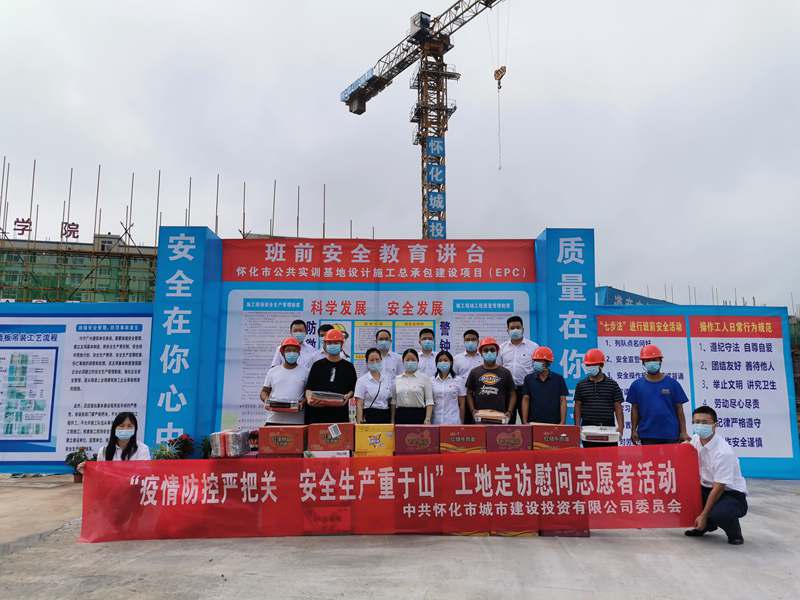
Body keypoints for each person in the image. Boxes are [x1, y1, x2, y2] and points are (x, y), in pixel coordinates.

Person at [685, 406, 748, 545]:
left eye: (705, 422)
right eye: (696, 422)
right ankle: (706, 526)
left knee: (721, 513)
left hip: (730, 494)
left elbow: (719, 487)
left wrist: (704, 514)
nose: (700, 425)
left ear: (715, 425)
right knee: (678, 498)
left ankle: (734, 533)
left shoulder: (723, 452)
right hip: (705, 488)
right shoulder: (696, 439)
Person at [628, 344, 690, 445]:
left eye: (654, 359)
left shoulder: (672, 383)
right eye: (648, 360)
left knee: (671, 457)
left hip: (671, 434)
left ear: (660, 361)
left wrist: (683, 432)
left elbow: (679, 409)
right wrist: (633, 430)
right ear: (643, 363)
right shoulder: (637, 385)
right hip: (647, 435)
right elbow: (635, 409)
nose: (651, 363)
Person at [573, 348, 624, 448]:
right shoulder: (581, 385)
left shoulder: (612, 384)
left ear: (601, 365)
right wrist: (577, 426)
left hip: (608, 427)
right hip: (588, 427)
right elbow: (577, 406)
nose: (590, 367)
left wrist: (621, 427)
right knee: (589, 455)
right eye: (588, 365)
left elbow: (618, 407)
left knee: (609, 455)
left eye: (593, 365)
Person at [305, 328, 357, 423]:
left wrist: (348, 396)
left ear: (341, 345)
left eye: (336, 343)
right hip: (318, 414)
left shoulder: (349, 367)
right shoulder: (317, 365)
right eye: (329, 343)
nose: (333, 345)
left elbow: (353, 389)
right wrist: (309, 399)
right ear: (325, 345)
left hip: (340, 415)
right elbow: (309, 388)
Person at [498, 316, 539, 423]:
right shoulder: (502, 348)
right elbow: (499, 369)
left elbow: (537, 369)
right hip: (508, 390)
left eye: (518, 327)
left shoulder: (533, 347)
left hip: (526, 389)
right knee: (508, 421)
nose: (515, 330)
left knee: (528, 420)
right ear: (507, 330)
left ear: (523, 329)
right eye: (512, 328)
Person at [77, 411, 150, 472]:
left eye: (129, 426)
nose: (125, 429)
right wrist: (88, 470)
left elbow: (144, 474)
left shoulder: (142, 449)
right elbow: (100, 475)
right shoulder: (104, 451)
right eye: (121, 426)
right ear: (114, 428)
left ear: (135, 429)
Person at [465, 337, 516, 422]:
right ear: (481, 353)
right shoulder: (474, 372)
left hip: (500, 417)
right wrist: (472, 410)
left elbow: (512, 394)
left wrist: (510, 411)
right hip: (479, 417)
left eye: (492, 350)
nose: (489, 353)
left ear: (497, 352)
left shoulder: (505, 372)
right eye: (485, 350)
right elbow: (469, 393)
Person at [261, 337, 309, 424]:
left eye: (294, 351)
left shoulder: (306, 372)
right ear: (282, 353)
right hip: (273, 420)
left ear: (299, 353)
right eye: (288, 350)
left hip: (297, 421)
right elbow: (264, 391)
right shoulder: (273, 371)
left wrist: (303, 402)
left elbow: (308, 394)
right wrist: (267, 400)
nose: (292, 353)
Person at [521, 346, 568, 424]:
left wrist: (562, 422)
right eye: (535, 360)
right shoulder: (528, 379)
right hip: (533, 422)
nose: (536, 363)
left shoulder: (558, 379)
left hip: (554, 422)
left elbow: (563, 400)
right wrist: (525, 421)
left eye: (539, 360)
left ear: (548, 362)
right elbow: (525, 399)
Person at [391, 349, 434, 424]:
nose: (410, 362)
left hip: (418, 415)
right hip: (400, 416)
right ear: (403, 362)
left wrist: (427, 419)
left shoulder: (425, 378)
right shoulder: (397, 379)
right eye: (407, 360)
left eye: (413, 360)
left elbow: (429, 401)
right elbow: (394, 401)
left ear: (418, 361)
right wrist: (392, 420)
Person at [355, 347, 394, 424]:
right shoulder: (362, 381)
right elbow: (359, 405)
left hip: (385, 416)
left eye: (377, 359)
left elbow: (390, 401)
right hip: (369, 416)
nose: (375, 362)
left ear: (381, 360)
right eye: (372, 360)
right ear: (367, 362)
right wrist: (359, 426)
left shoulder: (387, 379)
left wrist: (392, 421)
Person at [431, 350, 466, 424]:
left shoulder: (458, 380)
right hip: (436, 422)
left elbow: (462, 404)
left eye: (445, 360)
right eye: (440, 360)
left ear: (451, 363)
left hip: (453, 422)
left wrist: (462, 423)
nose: (443, 362)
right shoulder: (431, 380)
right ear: (436, 364)